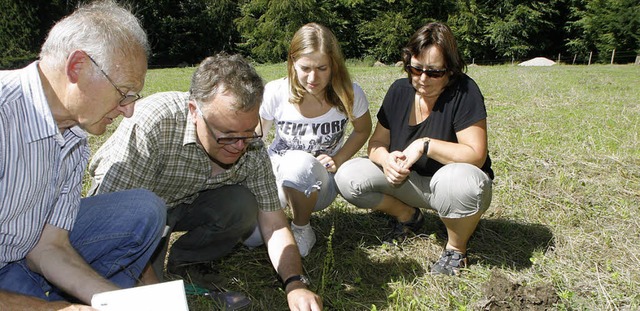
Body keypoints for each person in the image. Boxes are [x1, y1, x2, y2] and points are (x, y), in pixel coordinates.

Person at [88, 53, 323, 310]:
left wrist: (295, 284)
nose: (239, 146)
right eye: (227, 135)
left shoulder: (252, 146)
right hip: (134, 214)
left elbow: (275, 225)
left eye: (248, 133)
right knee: (132, 283)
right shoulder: (154, 124)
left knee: (242, 204)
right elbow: (116, 218)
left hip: (183, 203)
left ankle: (188, 261)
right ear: (194, 111)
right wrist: (155, 291)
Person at [0, 1, 166, 309]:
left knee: (143, 209)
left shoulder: (75, 136)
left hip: (19, 258)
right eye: (124, 92)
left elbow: (50, 247)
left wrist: (116, 304)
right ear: (77, 66)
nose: (129, 111)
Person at [335, 22, 494, 276]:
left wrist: (425, 145)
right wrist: (386, 160)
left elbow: (476, 155)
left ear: (451, 71)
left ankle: (456, 249)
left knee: (457, 180)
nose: (422, 79)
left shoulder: (465, 91)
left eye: (434, 73)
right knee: (348, 176)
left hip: (453, 185)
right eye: (416, 69)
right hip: (410, 184)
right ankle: (408, 216)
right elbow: (376, 144)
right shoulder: (399, 91)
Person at [252, 23, 371, 257]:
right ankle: (278, 216)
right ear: (292, 62)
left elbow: (363, 130)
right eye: (305, 68)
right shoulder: (276, 91)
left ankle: (302, 228)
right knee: (252, 238)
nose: (313, 77)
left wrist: (339, 158)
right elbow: (257, 136)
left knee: (298, 163)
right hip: (276, 175)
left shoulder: (349, 93)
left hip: (319, 182)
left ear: (334, 65)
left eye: (322, 68)